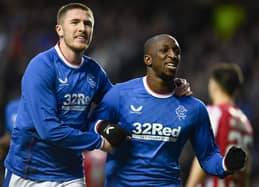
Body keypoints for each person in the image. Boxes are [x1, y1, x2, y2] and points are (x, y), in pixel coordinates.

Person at [3, 3, 190, 187]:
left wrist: (167, 87)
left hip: (69, 174)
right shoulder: (42, 67)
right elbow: (48, 129)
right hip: (28, 172)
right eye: (75, 22)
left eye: (88, 24)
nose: (82, 28)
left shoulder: (94, 72)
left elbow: (122, 103)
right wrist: (99, 141)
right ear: (60, 30)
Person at [91, 34, 247, 187]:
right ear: (148, 59)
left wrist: (226, 164)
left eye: (176, 51)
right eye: (165, 50)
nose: (173, 55)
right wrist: (103, 127)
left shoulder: (195, 108)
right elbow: (88, 125)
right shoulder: (120, 94)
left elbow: (208, 157)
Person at [185, 63, 254, 187]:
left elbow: (205, 156)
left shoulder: (214, 112)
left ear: (214, 85)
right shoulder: (245, 123)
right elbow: (246, 170)